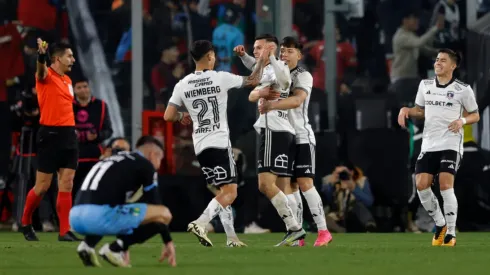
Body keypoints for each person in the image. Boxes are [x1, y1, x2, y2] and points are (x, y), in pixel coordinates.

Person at [163, 40, 266, 247]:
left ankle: (231, 238)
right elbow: (255, 79)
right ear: (210, 56)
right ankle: (201, 222)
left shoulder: (182, 84)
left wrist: (183, 114)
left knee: (222, 191)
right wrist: (262, 61)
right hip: (219, 143)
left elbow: (168, 116)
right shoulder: (220, 78)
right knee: (231, 192)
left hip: (200, 147)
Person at [398, 49, 480, 246]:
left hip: (451, 143)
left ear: (453, 66)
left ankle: (451, 233)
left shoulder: (463, 89)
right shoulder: (425, 85)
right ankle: (441, 224)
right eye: (437, 60)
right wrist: (406, 110)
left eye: (443, 61)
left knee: (444, 184)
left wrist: (462, 120)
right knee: (421, 185)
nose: (438, 63)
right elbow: (420, 111)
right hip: (429, 143)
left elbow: (475, 115)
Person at [257, 36, 332, 246]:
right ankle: (298, 232)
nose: (285, 55)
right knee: (289, 186)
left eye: (290, 51)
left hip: (302, 135)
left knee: (305, 182)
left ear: (299, 55)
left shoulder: (303, 75)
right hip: (284, 134)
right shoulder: (276, 72)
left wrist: (272, 105)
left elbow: (298, 99)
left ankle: (323, 231)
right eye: (283, 51)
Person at [234, 34, 306, 246]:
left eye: (258, 48)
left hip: (274, 130)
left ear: (270, 49)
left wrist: (259, 91)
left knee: (265, 184)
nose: (255, 51)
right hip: (281, 130)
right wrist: (244, 56)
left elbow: (284, 80)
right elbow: (255, 68)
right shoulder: (267, 67)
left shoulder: (278, 65)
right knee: (284, 185)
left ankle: (295, 228)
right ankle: (296, 235)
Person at [69, 136, 176, 267]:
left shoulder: (115, 160)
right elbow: (156, 207)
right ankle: (114, 249)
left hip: (75, 217)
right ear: (153, 155)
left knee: (121, 210)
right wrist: (167, 240)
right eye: (160, 159)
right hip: (98, 217)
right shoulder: (145, 164)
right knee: (164, 213)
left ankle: (87, 246)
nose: (159, 164)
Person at [21, 39, 80, 241]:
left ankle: (65, 231)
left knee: (67, 183)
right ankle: (25, 222)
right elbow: (40, 70)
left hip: (69, 135)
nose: (73, 59)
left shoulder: (68, 81)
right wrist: (41, 55)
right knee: (43, 186)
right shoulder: (45, 76)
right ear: (57, 58)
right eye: (69, 56)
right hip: (50, 135)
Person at [73, 77, 113, 199]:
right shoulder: (67, 106)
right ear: (74, 90)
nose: (83, 90)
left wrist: (98, 136)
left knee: (95, 188)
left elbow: (109, 130)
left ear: (89, 88)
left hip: (95, 155)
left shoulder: (101, 105)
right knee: (73, 189)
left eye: (85, 86)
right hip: (74, 156)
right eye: (79, 87)